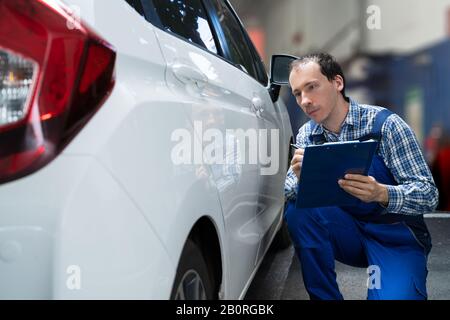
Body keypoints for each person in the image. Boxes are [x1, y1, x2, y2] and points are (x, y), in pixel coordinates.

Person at [284, 53, 439, 300]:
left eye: (312, 87)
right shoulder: (307, 135)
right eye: (298, 93)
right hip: (348, 233)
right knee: (298, 209)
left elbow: (429, 195)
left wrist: (383, 193)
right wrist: (303, 177)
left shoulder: (386, 126)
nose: (305, 100)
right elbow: (289, 190)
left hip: (395, 236)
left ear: (337, 83)